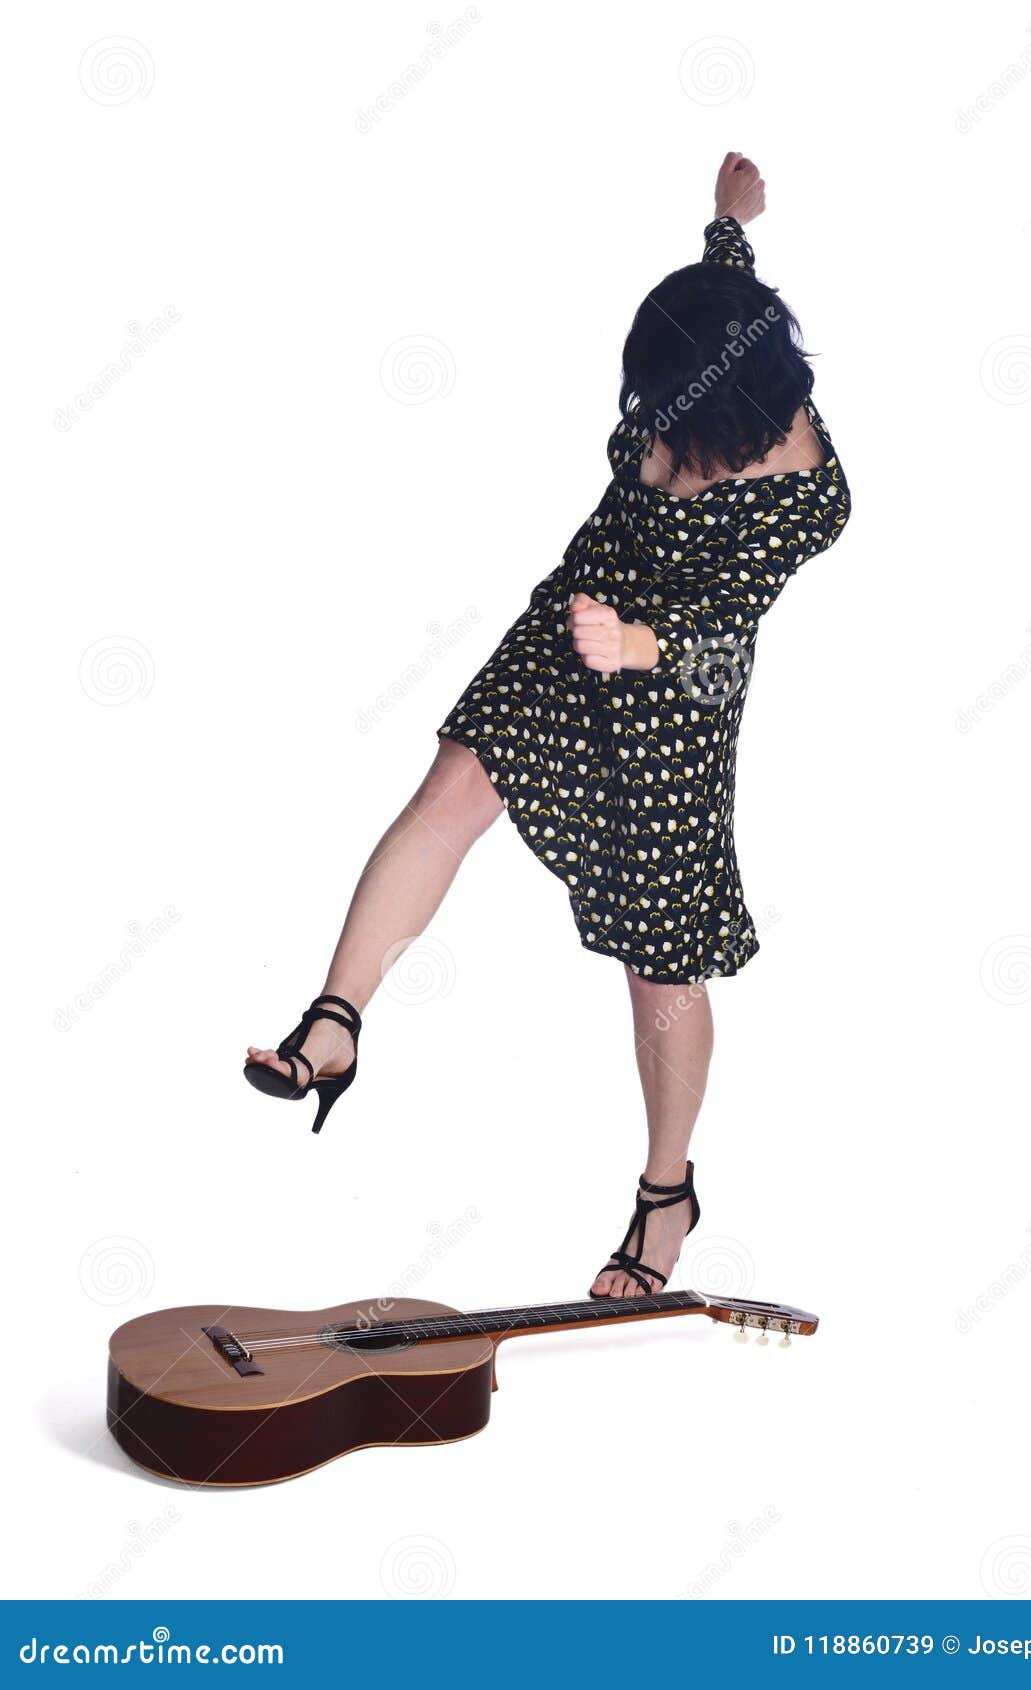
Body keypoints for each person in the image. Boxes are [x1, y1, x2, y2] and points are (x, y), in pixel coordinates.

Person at [245, 152, 852, 1299]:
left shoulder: (805, 499)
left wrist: (637, 647)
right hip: (574, 614)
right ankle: (337, 1023)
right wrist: (727, 223)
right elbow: (729, 291)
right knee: (445, 795)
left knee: (657, 966)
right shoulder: (721, 346)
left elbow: (728, 645)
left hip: (669, 702)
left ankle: (665, 1193)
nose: (648, 428)